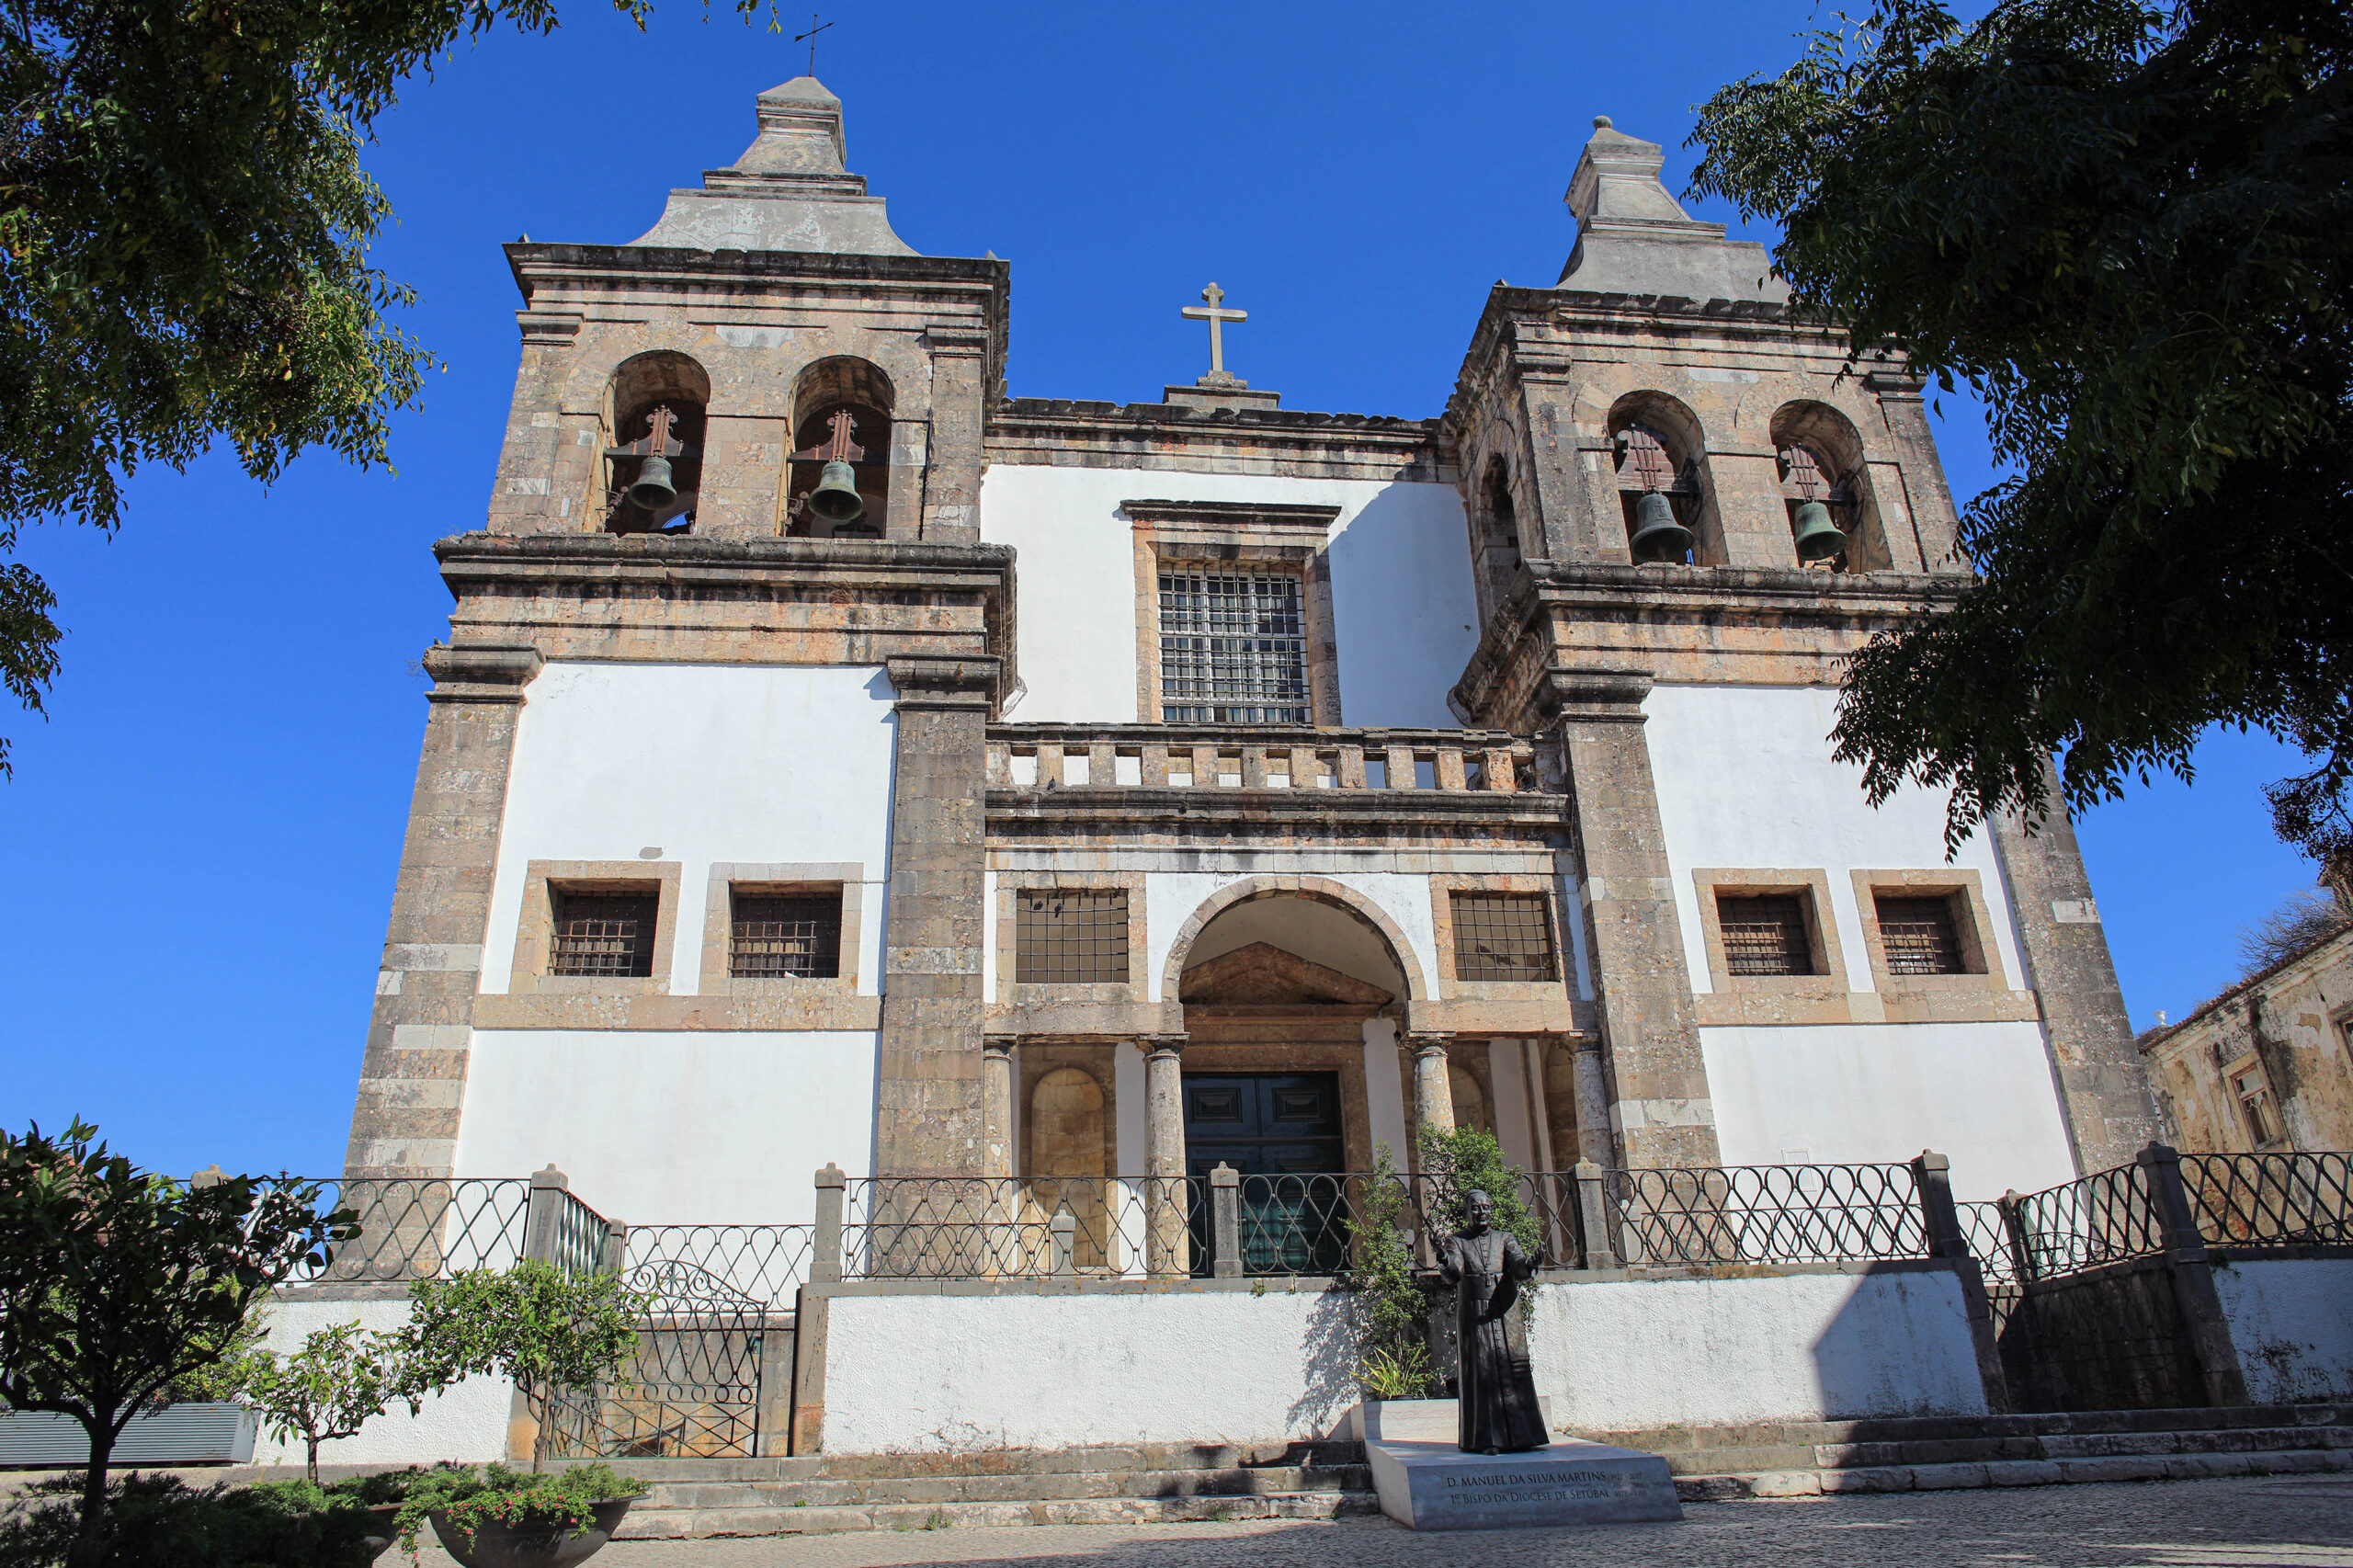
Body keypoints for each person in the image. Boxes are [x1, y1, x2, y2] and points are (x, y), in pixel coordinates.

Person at [1432, 1189, 1548, 1453]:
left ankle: (1523, 1436)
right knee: (1482, 1376)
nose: (1481, 1212)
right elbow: (1454, 1272)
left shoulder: (1504, 1238)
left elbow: (1517, 1263)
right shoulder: (1458, 1241)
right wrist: (1441, 1255)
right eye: (1475, 1208)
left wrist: (1530, 1264)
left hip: (1506, 1312)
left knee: (1515, 1372)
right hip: (1476, 1315)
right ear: (1466, 1212)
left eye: (1486, 1207)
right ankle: (1487, 1440)